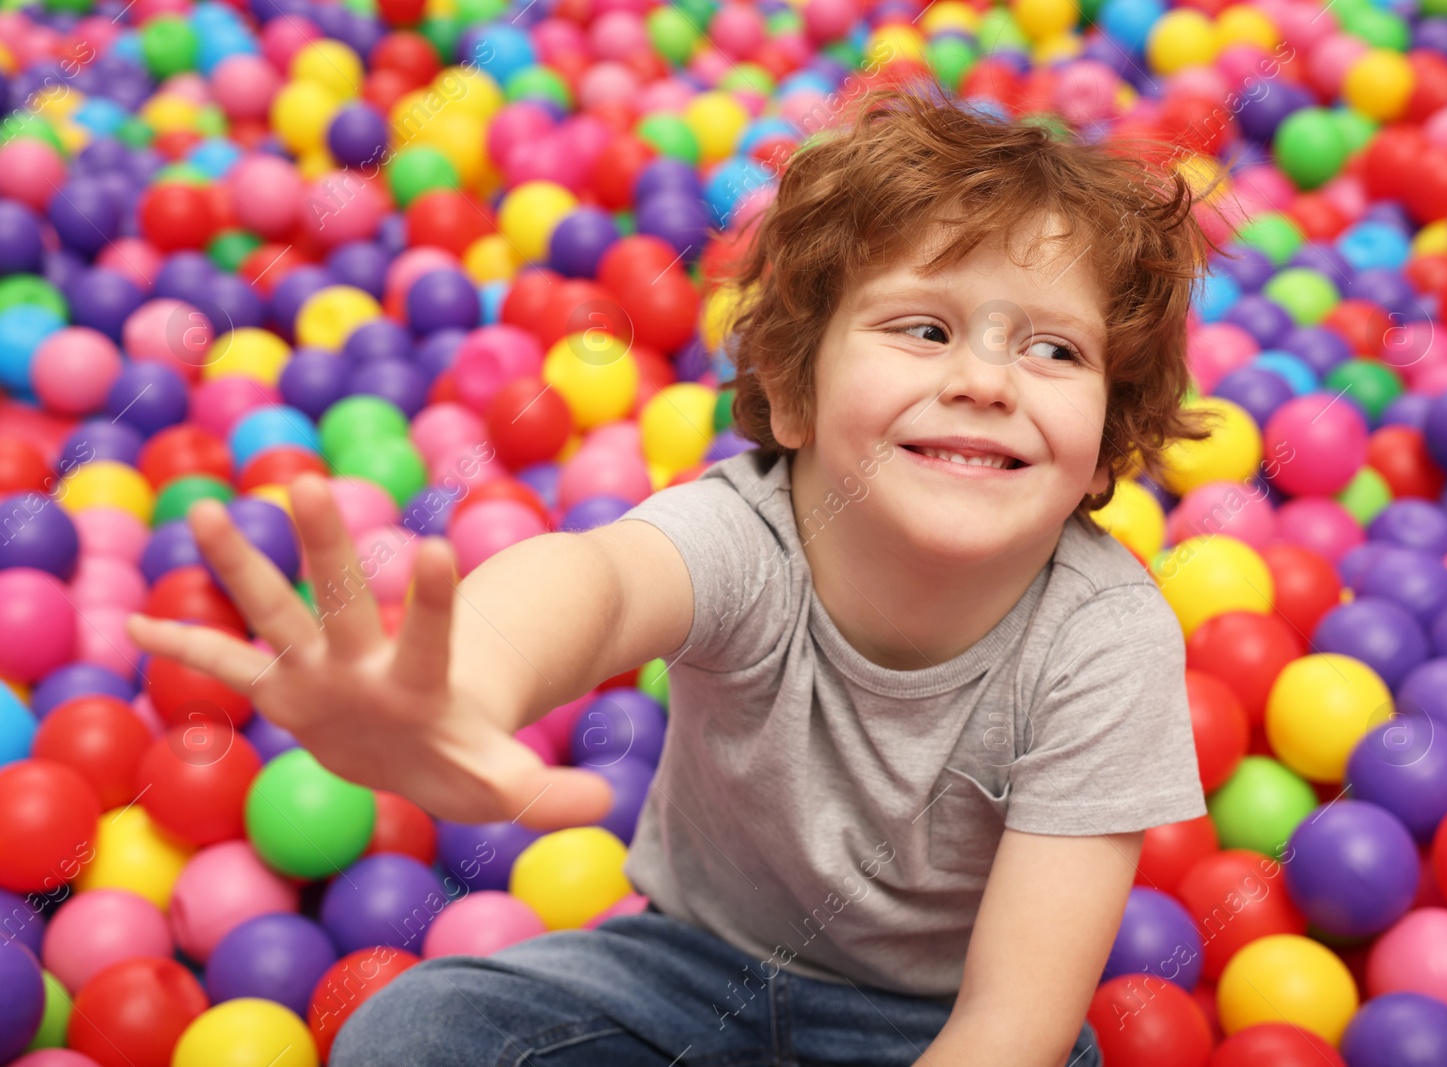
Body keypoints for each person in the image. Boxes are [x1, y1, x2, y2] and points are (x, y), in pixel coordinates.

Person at [126, 82, 1213, 1067]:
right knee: (411, 1031)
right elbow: (596, 581)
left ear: (1107, 439)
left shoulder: (1105, 641)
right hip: (692, 970)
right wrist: (463, 686)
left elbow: (1010, 1024)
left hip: (939, 1022)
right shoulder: (750, 533)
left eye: (1054, 351)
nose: (983, 376)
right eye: (923, 327)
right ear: (791, 398)